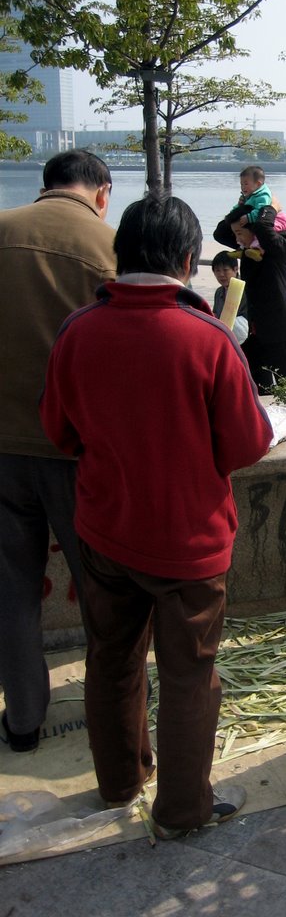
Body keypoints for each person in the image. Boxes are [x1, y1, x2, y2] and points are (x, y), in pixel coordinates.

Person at [39, 193, 273, 838]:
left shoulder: (78, 329)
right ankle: (182, 812)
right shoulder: (207, 339)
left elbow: (59, 432)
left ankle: (119, 782)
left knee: (111, 659)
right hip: (187, 542)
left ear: (121, 255)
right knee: (189, 675)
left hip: (105, 531)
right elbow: (248, 444)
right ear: (190, 261)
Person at [0, 149, 116, 753]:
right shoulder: (110, 247)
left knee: (11, 591)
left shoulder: (4, 229)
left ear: (44, 187)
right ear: (102, 192)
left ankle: (22, 721)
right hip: (78, 452)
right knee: (101, 587)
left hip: (2, 448)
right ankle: (112, 716)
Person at [213, 202, 286, 394]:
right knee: (258, 391)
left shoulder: (279, 245)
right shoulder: (246, 248)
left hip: (280, 332)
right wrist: (243, 205)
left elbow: (263, 228)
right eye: (235, 233)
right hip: (256, 334)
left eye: (239, 233)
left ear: (254, 229)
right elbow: (219, 233)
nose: (236, 238)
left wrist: (270, 208)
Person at [211, 251, 249, 345]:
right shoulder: (219, 292)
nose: (221, 274)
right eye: (217, 270)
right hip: (223, 340)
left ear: (236, 269)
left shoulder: (246, 291)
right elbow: (216, 314)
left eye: (225, 270)